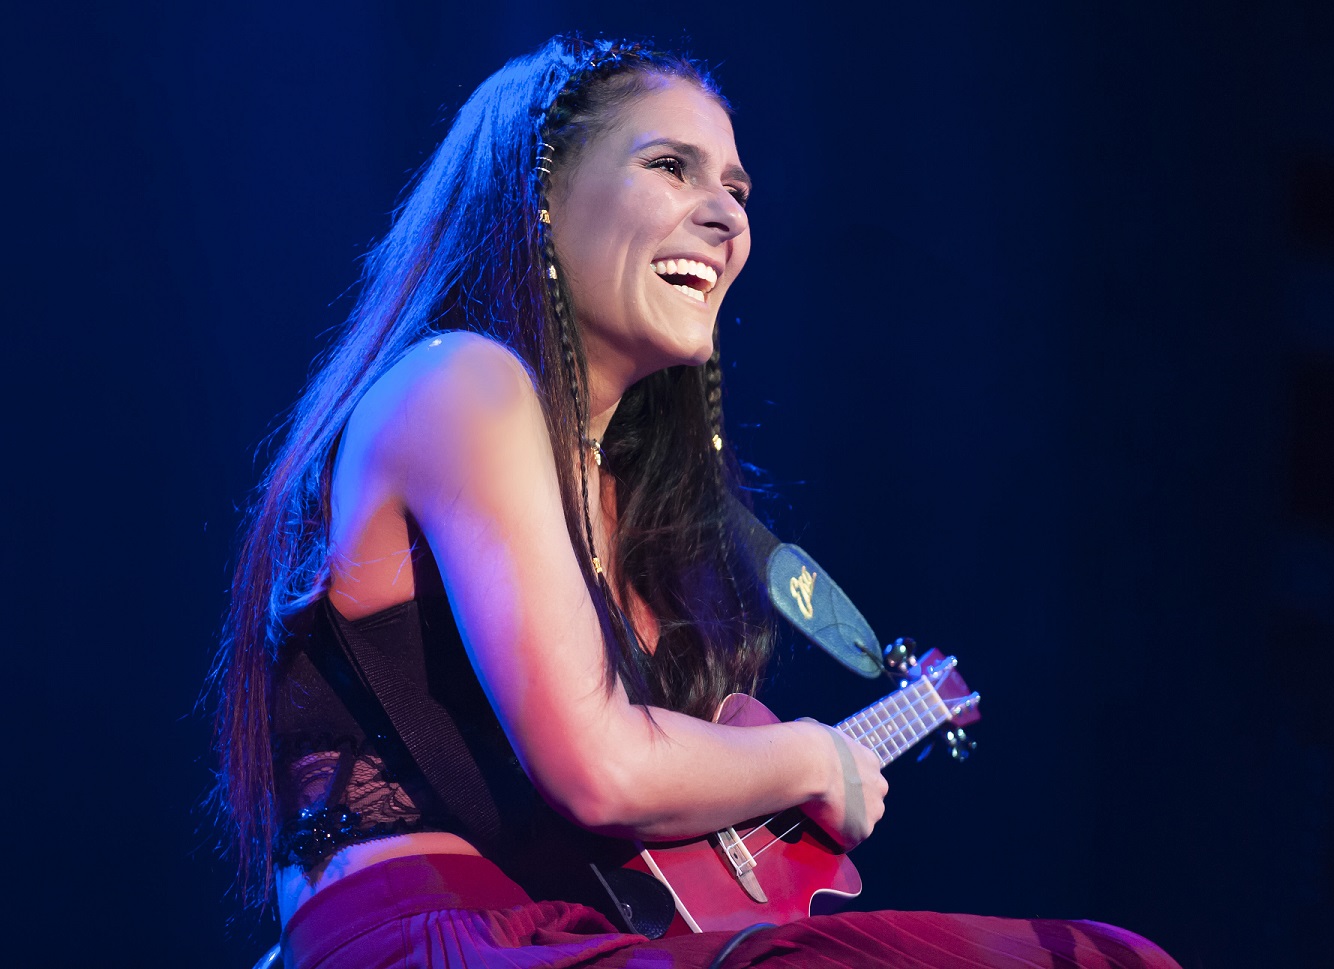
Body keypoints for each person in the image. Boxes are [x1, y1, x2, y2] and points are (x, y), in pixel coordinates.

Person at [208, 35, 1182, 969]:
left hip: (562, 931)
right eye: (672, 167)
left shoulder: (621, 498)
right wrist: (809, 758)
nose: (726, 217)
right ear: (540, 194)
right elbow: (602, 770)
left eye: (737, 189)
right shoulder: (461, 381)